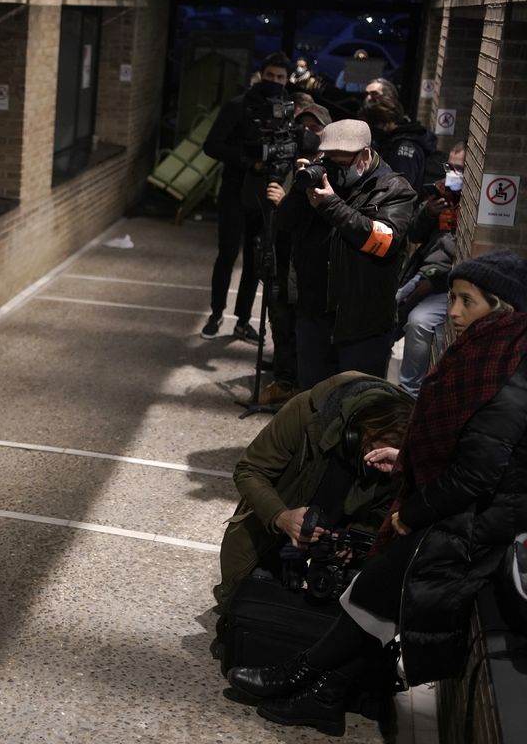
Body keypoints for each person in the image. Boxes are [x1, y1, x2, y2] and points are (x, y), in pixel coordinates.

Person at [226, 250, 527, 736]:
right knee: (378, 588)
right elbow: (462, 447)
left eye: (465, 301)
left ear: (502, 307)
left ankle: (305, 678)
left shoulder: (509, 371)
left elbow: (476, 473)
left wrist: (412, 510)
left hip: (480, 518)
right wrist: (406, 459)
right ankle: (320, 693)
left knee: (380, 584)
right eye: (452, 298)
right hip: (468, 508)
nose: (452, 312)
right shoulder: (495, 354)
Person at [214, 372, 413, 609]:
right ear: (360, 430)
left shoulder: (401, 453)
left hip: (331, 550)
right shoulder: (308, 413)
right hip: (272, 535)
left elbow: (380, 512)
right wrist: (281, 517)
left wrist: (351, 543)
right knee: (255, 604)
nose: (380, 467)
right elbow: (249, 470)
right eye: (373, 452)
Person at [279, 119, 418, 389]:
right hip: (315, 316)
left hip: (363, 324)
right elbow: (283, 225)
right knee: (311, 403)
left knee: (355, 406)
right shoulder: (320, 182)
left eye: (343, 163)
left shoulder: (393, 189)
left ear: (365, 155)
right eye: (331, 162)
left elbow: (383, 242)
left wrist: (331, 205)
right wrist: (299, 191)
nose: (337, 170)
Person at [201, 52, 292, 344]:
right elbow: (212, 145)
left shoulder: (285, 110)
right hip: (235, 189)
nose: (275, 82)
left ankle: (242, 321)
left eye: (280, 77)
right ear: (261, 74)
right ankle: (216, 313)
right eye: (271, 76)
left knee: (257, 259)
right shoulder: (237, 106)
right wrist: (247, 160)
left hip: (266, 192)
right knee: (228, 253)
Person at [257, 102, 333, 407]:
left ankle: (300, 390)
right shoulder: (288, 161)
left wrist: (287, 201)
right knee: (281, 322)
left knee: (304, 329)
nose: (307, 132)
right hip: (279, 257)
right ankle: (283, 379)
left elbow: (320, 216)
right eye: (302, 126)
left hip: (307, 267)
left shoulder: (328, 167)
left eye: (314, 127)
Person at [395, 141, 465, 396]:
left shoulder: (469, 208)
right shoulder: (439, 194)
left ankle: (411, 391)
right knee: (394, 303)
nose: (454, 174)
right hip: (425, 273)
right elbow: (414, 235)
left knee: (418, 321)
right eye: (451, 167)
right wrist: (428, 214)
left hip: (445, 283)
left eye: (460, 168)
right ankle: (404, 391)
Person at [361, 93, 436, 194]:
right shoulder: (393, 140)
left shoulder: (404, 147)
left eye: (376, 124)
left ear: (386, 121)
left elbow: (400, 189)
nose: (373, 128)